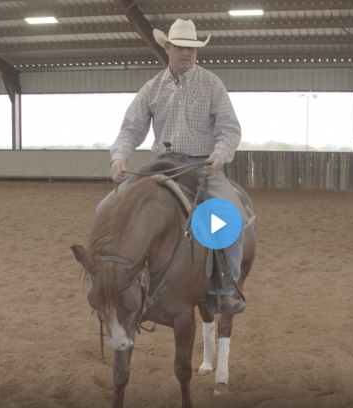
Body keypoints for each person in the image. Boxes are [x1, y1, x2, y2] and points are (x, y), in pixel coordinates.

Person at [96, 18, 247, 315]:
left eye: (192, 48)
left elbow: (230, 129)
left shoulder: (212, 85)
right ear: (167, 47)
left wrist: (219, 155)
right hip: (160, 166)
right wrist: (119, 156)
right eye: (180, 47)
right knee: (104, 209)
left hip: (202, 167)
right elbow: (130, 130)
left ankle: (224, 290)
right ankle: (107, 280)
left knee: (232, 218)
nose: (186, 54)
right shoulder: (152, 88)